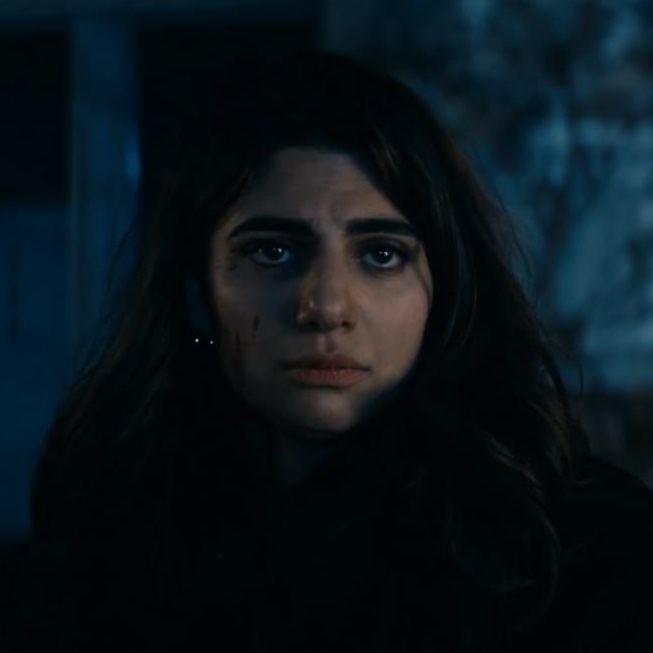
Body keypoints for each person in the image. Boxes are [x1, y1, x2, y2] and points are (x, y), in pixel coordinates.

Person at [2, 51, 653, 652]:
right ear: (196, 289)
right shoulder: (96, 544)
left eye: (380, 254)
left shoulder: (578, 551)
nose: (325, 306)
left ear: (444, 290)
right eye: (272, 251)